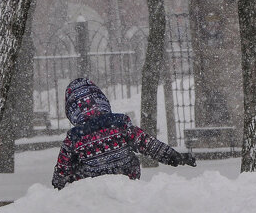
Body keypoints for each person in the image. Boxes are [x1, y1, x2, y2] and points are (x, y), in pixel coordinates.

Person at [52, 77, 195, 189]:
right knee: (130, 159)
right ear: (101, 100)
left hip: (93, 188)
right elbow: (147, 143)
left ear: (72, 111)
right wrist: (173, 156)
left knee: (76, 168)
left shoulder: (74, 138)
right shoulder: (120, 124)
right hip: (126, 180)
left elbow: (62, 169)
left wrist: (59, 182)